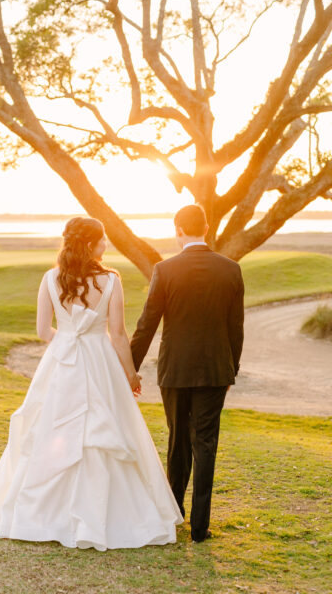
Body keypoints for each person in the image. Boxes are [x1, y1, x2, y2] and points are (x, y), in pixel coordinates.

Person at [0, 217, 183, 551]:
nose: (105, 245)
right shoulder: (110, 280)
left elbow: (43, 332)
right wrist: (130, 374)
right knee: (104, 430)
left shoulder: (50, 278)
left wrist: (68, 339)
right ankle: (109, 518)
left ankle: (42, 516)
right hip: (101, 364)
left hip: (61, 363)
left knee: (52, 429)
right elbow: (118, 334)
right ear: (89, 244)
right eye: (102, 240)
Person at [130, 204, 244, 543]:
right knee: (205, 443)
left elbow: (147, 324)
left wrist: (128, 368)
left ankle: (173, 514)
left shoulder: (164, 270)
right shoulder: (231, 270)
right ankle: (199, 527)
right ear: (206, 228)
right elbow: (235, 328)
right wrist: (230, 369)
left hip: (175, 369)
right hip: (214, 371)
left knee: (178, 439)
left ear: (178, 230)